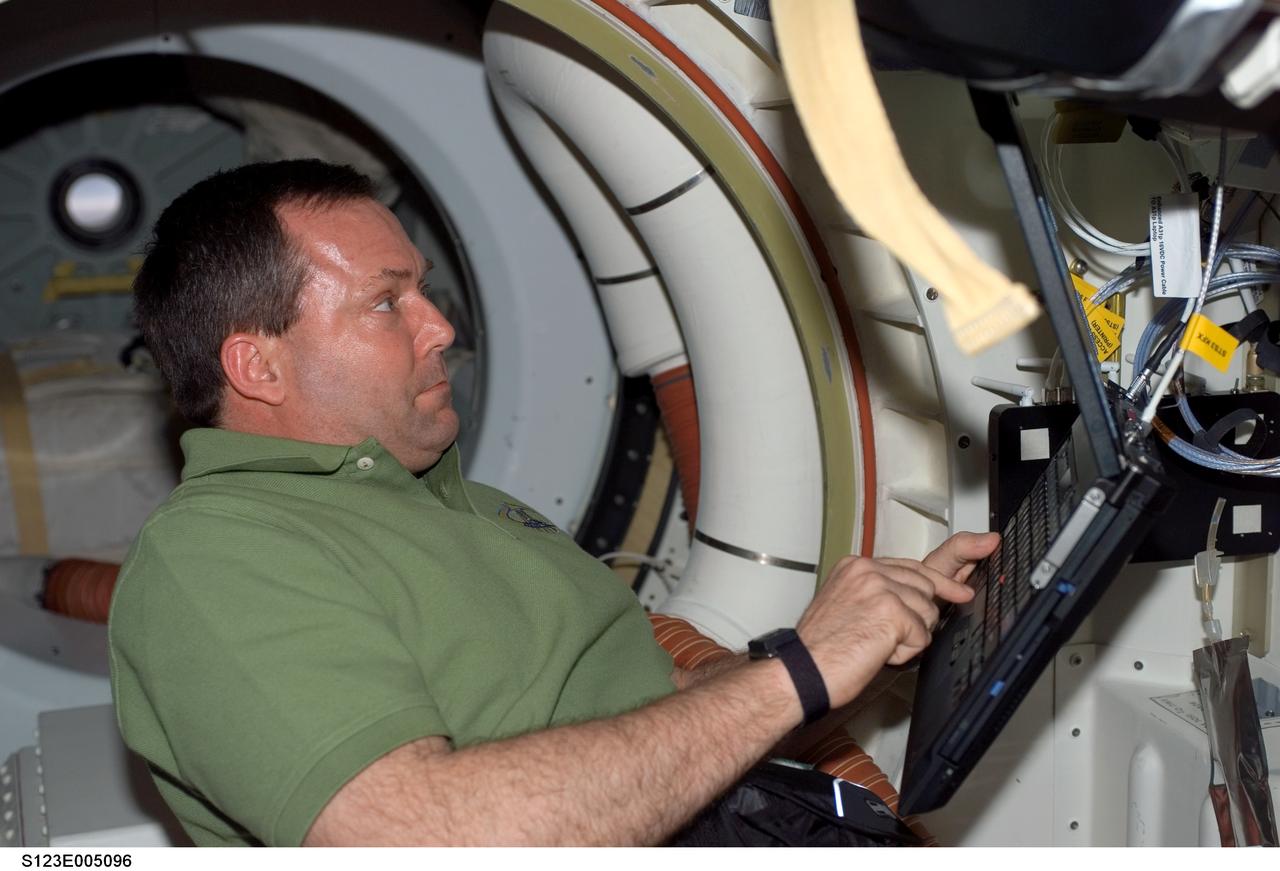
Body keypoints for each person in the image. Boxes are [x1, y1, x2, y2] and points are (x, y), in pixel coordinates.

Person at [108, 159, 997, 847]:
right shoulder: (215, 554)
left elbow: (670, 714)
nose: (441, 326)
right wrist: (796, 675)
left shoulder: (470, 506)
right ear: (257, 366)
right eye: (386, 302)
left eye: (423, 289)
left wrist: (865, 644)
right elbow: (413, 838)